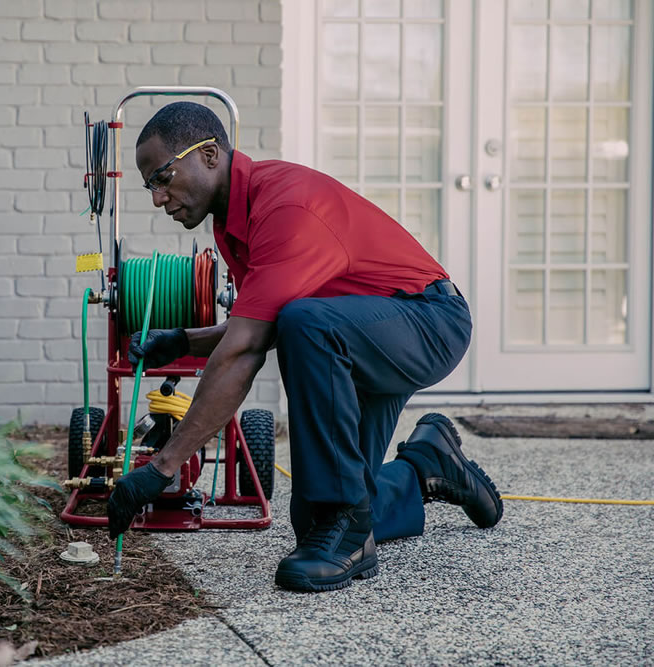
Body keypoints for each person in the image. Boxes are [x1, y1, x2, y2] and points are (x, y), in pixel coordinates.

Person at [106, 101, 504, 592]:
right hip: (363, 337)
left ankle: (351, 535)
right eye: (150, 184)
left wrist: (163, 467)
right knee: (316, 521)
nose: (157, 197)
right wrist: (185, 341)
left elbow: (247, 348)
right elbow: (258, 323)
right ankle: (428, 464)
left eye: (162, 177)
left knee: (307, 328)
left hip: (427, 321)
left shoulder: (285, 206)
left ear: (208, 154)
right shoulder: (232, 221)